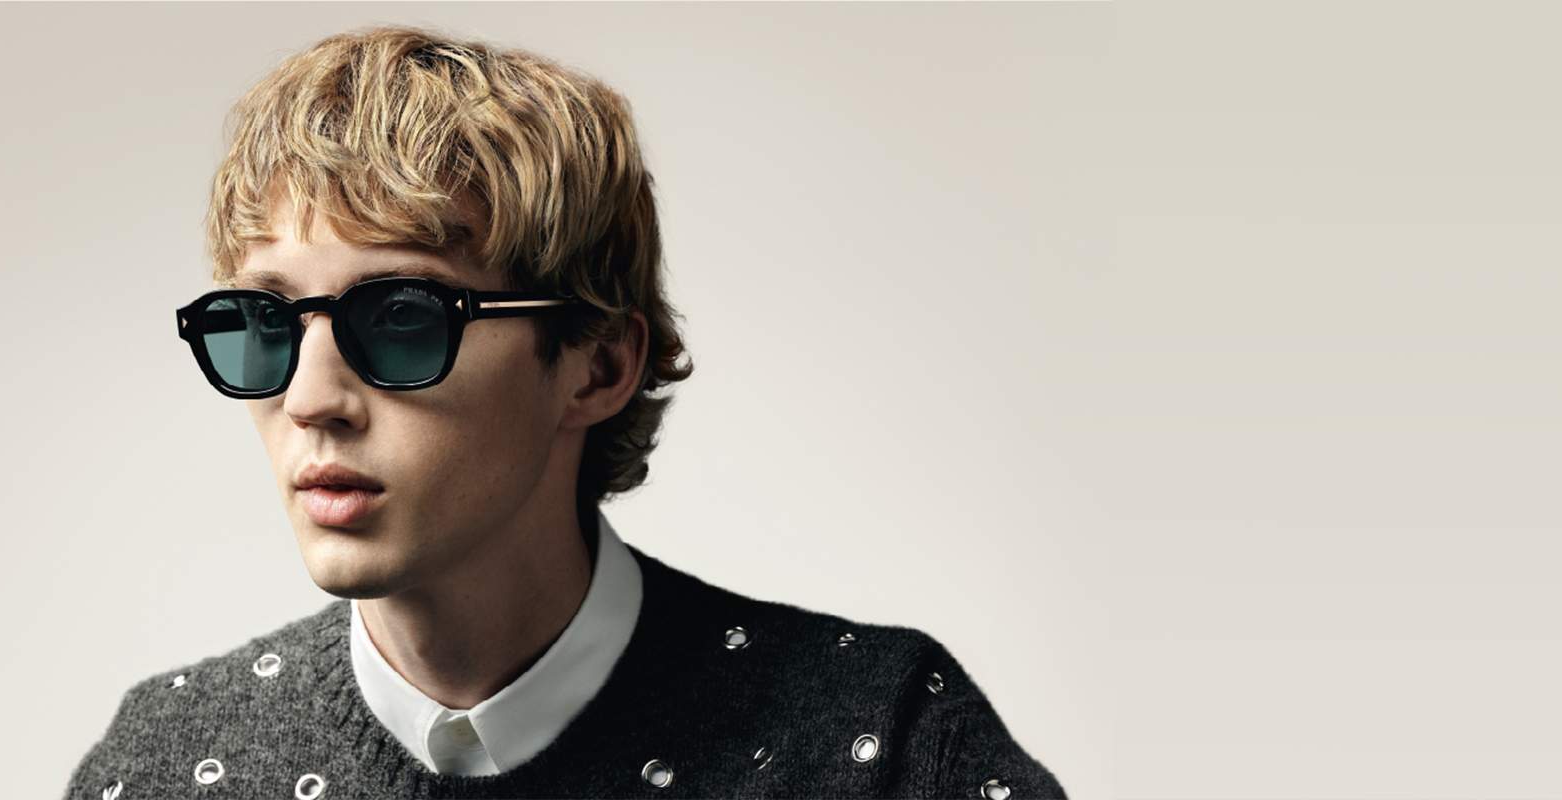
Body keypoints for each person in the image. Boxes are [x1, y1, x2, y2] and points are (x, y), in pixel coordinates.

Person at [68, 24, 1064, 799]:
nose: (310, 399)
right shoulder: (162, 763)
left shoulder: (884, 744)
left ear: (597, 365)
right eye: (263, 321)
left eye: (403, 319)